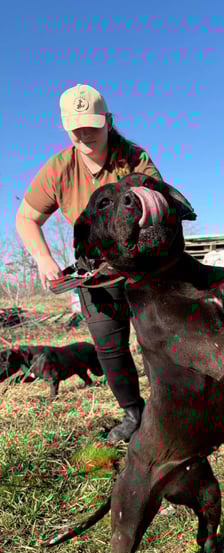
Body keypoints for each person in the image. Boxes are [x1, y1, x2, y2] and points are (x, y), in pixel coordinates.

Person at [16, 83, 163, 443]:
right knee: (109, 348)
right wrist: (44, 259)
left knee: (156, 340)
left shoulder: (134, 157)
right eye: (76, 128)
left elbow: (159, 202)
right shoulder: (58, 169)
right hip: (94, 273)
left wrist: (142, 210)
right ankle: (133, 413)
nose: (84, 135)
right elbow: (26, 218)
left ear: (108, 121)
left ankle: (167, 410)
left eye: (92, 126)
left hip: (140, 264)